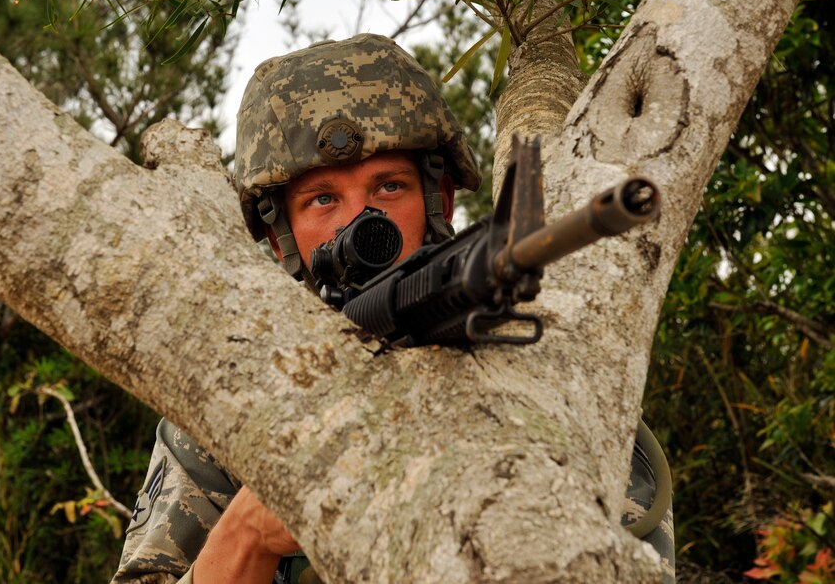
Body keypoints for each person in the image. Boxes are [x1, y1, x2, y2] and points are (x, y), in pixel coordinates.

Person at [111, 34, 674, 584]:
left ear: (440, 201)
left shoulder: (541, 384)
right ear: (282, 238)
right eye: (323, 199)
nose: (363, 224)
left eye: (389, 188)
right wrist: (251, 531)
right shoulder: (230, 403)